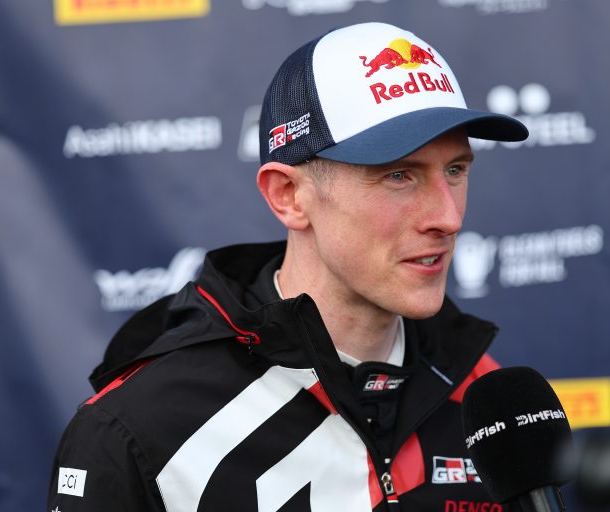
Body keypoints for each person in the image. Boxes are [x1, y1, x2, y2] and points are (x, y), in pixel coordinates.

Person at [47, 21, 527, 512]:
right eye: (399, 175)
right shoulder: (138, 432)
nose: (448, 217)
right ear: (289, 195)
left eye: (455, 170)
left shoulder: (489, 401)